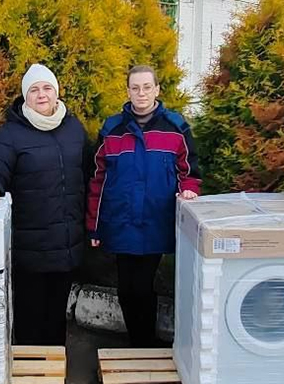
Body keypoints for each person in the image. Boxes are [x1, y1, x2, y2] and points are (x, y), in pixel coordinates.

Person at [0, 64, 90, 346]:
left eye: (47, 88)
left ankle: (55, 365)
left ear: (56, 92)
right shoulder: (11, 133)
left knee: (56, 316)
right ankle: (27, 366)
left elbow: (88, 172)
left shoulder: (74, 128)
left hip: (65, 242)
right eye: (34, 90)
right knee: (29, 317)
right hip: (30, 246)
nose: (41, 95)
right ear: (26, 96)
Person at [86, 65, 201, 347]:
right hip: (121, 220)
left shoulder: (176, 127)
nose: (141, 93)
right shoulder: (112, 129)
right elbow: (97, 178)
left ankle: (144, 343)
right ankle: (136, 342)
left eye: (147, 87)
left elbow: (189, 170)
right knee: (126, 289)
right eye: (135, 88)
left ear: (157, 89)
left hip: (156, 221)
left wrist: (189, 190)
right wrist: (94, 226)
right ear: (127, 91)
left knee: (143, 286)